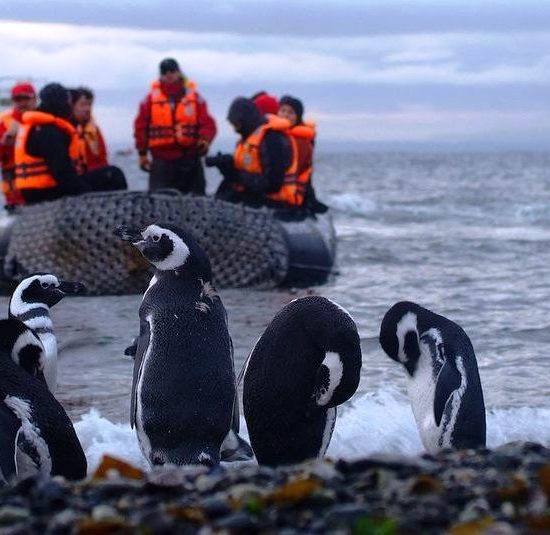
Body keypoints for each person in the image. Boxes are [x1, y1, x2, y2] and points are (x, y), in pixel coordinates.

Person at [14, 83, 125, 205]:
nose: (69, 106)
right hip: (46, 193)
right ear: (60, 103)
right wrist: (88, 197)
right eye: (68, 102)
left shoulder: (36, 126)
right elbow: (62, 173)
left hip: (35, 192)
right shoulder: (49, 131)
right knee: (112, 174)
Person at [134, 58, 217, 194]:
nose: (169, 74)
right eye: (165, 72)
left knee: (196, 202)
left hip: (190, 159)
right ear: (160, 75)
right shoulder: (149, 101)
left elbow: (208, 123)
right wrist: (142, 154)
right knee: (160, 204)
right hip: (162, 162)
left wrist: (205, 140)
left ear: (179, 72)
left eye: (172, 70)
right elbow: (140, 127)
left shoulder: (195, 98)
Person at [208, 97, 302, 210]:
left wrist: (237, 175)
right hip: (256, 197)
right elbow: (249, 170)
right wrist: (227, 165)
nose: (235, 130)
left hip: (276, 204)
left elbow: (273, 184)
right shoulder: (250, 138)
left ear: (245, 121)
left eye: (236, 125)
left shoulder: (271, 139)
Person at [70, 86, 127, 192]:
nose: (87, 109)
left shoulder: (93, 130)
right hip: (74, 179)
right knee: (115, 173)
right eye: (83, 105)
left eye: (89, 104)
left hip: (91, 175)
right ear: (72, 106)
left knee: (113, 174)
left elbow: (102, 158)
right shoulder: (66, 130)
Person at [278, 95, 326, 213]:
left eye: (291, 112)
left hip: (291, 195)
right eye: (283, 110)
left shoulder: (301, 140)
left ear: (297, 117)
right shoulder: (274, 136)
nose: (286, 115)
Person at [0, 82, 37, 209]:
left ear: (34, 99)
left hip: (40, 189)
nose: (22, 103)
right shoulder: (4, 122)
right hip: (14, 192)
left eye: (26, 98)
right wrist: (5, 143)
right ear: (13, 101)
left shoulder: (44, 120)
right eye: (18, 99)